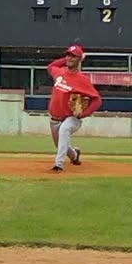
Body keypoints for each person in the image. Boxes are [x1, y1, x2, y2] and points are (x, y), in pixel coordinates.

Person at [47, 44, 102, 172]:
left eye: (73, 56)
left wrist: (83, 114)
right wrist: (65, 60)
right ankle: (74, 155)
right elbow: (51, 67)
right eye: (68, 55)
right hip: (55, 118)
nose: (70, 58)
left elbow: (97, 100)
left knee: (64, 130)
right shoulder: (59, 72)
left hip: (71, 117)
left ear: (79, 60)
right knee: (60, 144)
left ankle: (58, 165)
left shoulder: (82, 80)